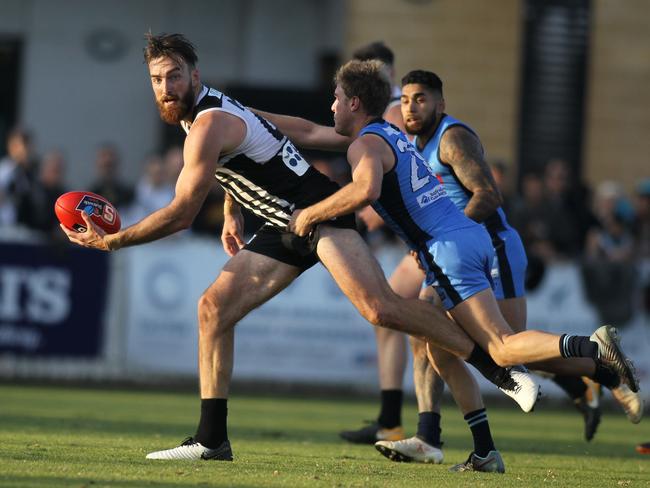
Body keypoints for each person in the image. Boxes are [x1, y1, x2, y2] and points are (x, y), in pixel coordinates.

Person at [60, 33, 539, 462]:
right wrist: (232, 208)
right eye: (157, 79)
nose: (166, 87)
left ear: (194, 76)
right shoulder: (208, 113)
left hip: (318, 210)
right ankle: (211, 440)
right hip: (281, 222)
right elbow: (264, 144)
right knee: (213, 309)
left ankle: (496, 370)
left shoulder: (206, 123)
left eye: (174, 76)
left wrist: (114, 240)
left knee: (382, 309)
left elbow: (183, 212)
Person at [255, 61, 640, 467]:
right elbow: (304, 131)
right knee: (435, 343)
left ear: (353, 102)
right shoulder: (388, 134)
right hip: (462, 240)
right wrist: (246, 114)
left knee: (503, 348)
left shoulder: (368, 145)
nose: (330, 108)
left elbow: (365, 189)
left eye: (335, 100)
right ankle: (479, 448)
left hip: (448, 249)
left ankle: (594, 349)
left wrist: (310, 214)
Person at [338, 41, 412, 445]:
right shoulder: (392, 112)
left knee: (494, 342)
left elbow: (406, 174)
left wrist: (366, 210)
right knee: (390, 317)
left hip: (444, 238)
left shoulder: (397, 112)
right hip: (428, 238)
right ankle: (393, 422)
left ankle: (586, 373)